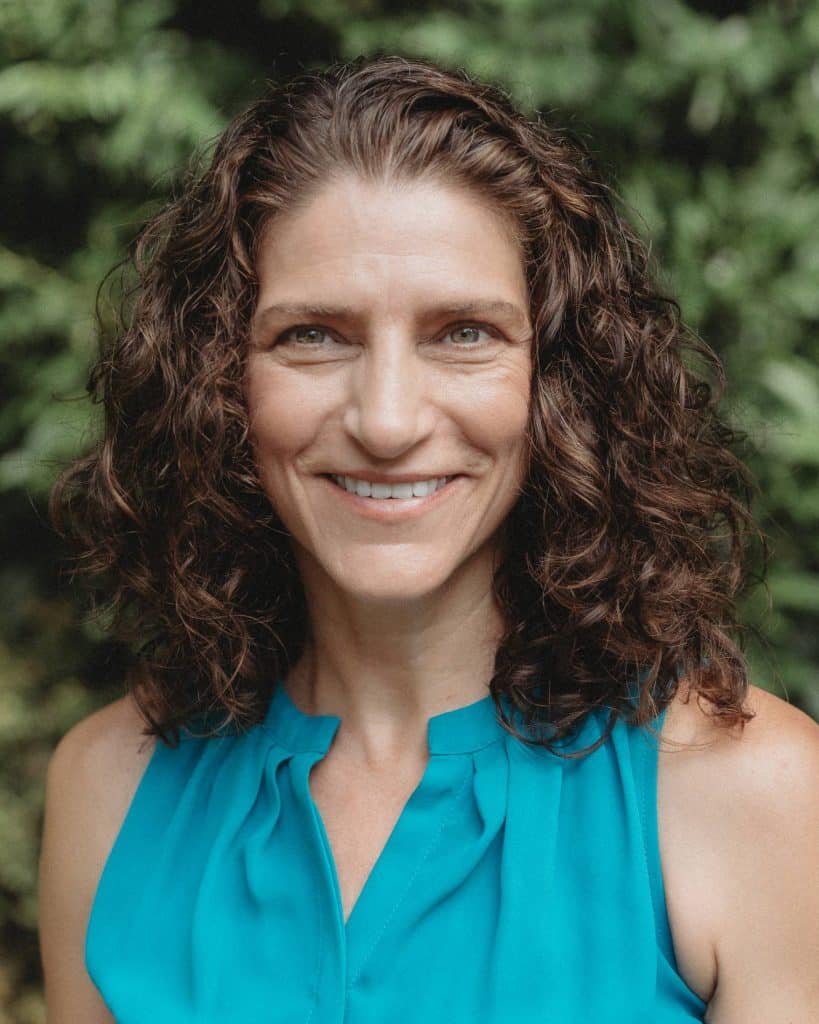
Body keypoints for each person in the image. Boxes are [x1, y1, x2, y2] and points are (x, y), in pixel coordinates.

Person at [38, 54, 818, 1022]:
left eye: (464, 332)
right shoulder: (110, 787)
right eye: (314, 334)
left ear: (558, 379)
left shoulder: (751, 791)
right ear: (217, 382)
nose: (389, 420)